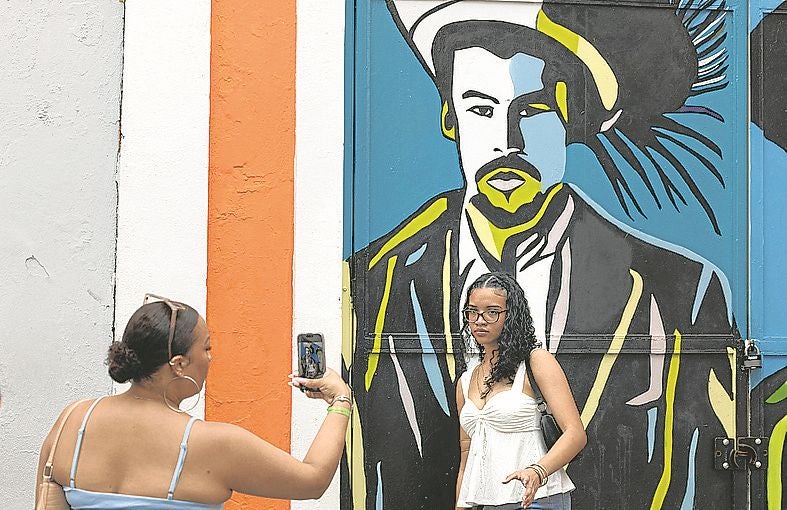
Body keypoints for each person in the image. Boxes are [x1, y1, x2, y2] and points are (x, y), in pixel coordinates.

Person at [346, 1, 738, 508]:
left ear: (571, 119)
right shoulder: (374, 280)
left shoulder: (682, 290)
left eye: (532, 110)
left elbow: (700, 480)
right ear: (450, 118)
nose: (507, 140)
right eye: (481, 109)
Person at [36, 294, 351, 508]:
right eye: (207, 348)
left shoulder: (73, 419)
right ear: (179, 364)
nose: (212, 359)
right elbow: (312, 481)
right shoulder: (212, 443)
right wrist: (340, 398)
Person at [455, 272, 585, 510]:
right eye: (472, 312)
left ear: (511, 315)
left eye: (492, 312)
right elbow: (467, 457)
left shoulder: (535, 362)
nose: (479, 320)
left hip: (537, 500)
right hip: (488, 503)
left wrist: (538, 471)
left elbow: (575, 434)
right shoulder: (466, 380)